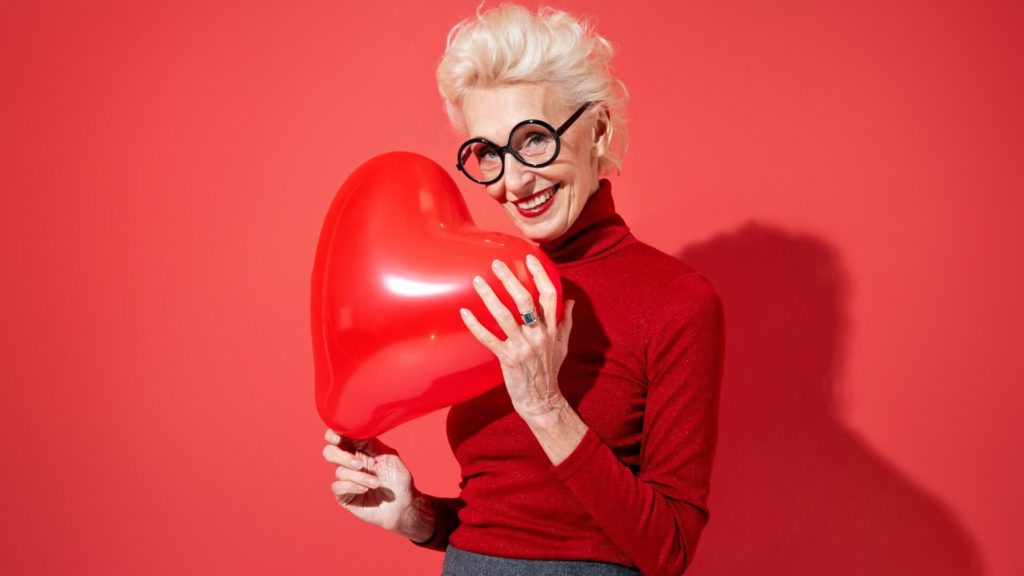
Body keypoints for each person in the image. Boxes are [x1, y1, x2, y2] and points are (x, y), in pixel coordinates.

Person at [322, 5, 724, 575]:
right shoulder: (486, 286)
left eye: (534, 140)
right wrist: (417, 516)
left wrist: (546, 407)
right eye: (488, 154)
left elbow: (670, 549)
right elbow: (507, 515)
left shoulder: (677, 301)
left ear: (599, 129)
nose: (513, 183)